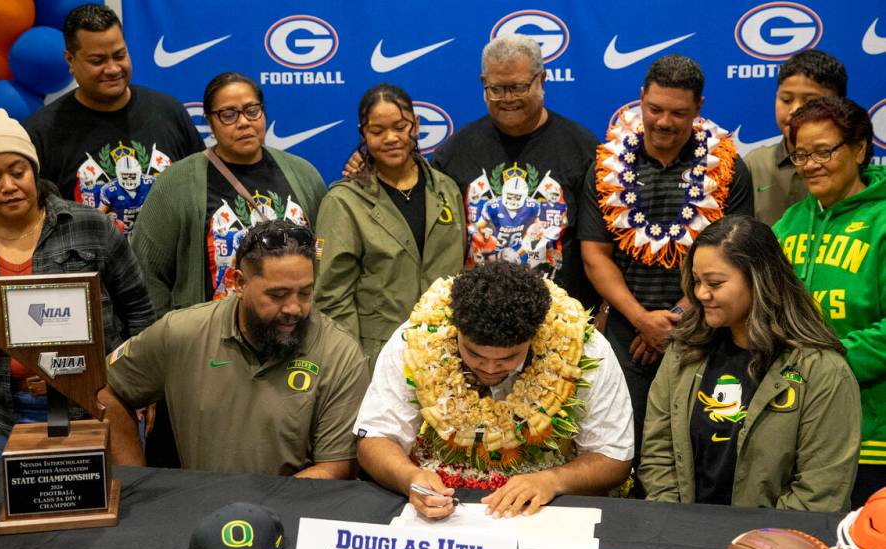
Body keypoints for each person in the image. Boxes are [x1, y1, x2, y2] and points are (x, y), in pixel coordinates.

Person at [579, 55, 754, 489]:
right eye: (654, 108)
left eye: (678, 112)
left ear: (699, 108)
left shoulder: (729, 168)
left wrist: (675, 321)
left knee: (703, 446)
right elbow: (594, 255)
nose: (663, 122)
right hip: (625, 333)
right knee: (623, 447)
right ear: (640, 99)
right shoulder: (608, 164)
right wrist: (642, 320)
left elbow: (734, 257)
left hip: (704, 329)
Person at [0, 109, 154, 463]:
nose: (9, 186)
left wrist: (144, 388)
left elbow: (138, 311)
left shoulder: (91, 226)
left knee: (115, 506)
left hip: (100, 400)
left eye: (18, 172)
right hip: (6, 412)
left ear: (34, 170)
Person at [356, 262, 633, 519]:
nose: (489, 368)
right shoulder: (418, 338)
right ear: (456, 330)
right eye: (474, 354)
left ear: (535, 337)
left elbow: (613, 457)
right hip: (443, 509)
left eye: (507, 359)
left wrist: (554, 480)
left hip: (544, 511)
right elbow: (376, 438)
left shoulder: (584, 348)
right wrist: (410, 477)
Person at [100, 221, 368, 477]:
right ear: (239, 283)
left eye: (305, 293)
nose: (294, 308)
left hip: (291, 513)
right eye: (277, 295)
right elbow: (106, 389)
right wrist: (134, 478)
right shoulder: (182, 333)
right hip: (198, 511)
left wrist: (260, 508)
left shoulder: (339, 353)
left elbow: (337, 467)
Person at [640, 216, 861, 510]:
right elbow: (659, 454)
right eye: (696, 281)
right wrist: (676, 523)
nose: (700, 294)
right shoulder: (683, 353)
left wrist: (755, 546)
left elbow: (819, 491)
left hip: (774, 548)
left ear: (760, 280)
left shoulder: (823, 372)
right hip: (682, 537)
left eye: (715, 283)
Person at [131, 71, 327, 318]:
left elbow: (323, 250)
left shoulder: (304, 175)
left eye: (252, 110)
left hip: (293, 326)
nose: (244, 122)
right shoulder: (177, 183)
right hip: (211, 338)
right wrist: (168, 335)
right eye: (229, 114)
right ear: (210, 122)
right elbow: (148, 270)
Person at [772, 96, 886, 508]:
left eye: (824, 151)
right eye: (801, 154)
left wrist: (827, 366)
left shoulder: (882, 221)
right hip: (797, 426)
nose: (811, 164)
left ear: (858, 149)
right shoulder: (790, 223)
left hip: (871, 434)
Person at [433, 34, 600, 309]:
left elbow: (601, 246)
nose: (507, 99)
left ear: (542, 80)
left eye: (518, 87)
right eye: (496, 89)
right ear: (483, 84)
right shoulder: (454, 152)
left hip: (560, 317)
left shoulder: (582, 149)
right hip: (478, 315)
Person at [315, 84, 465, 368]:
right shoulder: (344, 203)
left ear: (416, 125)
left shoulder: (446, 189)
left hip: (449, 349)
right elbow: (332, 298)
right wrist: (353, 365)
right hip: (379, 357)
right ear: (364, 134)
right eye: (377, 131)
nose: (391, 138)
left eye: (400, 126)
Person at [24, 3, 204, 236]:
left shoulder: (169, 112)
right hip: (89, 268)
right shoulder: (41, 132)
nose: (112, 69)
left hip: (167, 271)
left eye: (119, 55)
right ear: (70, 60)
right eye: (97, 61)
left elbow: (201, 196)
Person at [745, 50, 847, 226]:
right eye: (786, 99)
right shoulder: (754, 164)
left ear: (838, 104)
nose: (794, 110)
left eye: (809, 101)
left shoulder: (848, 164)